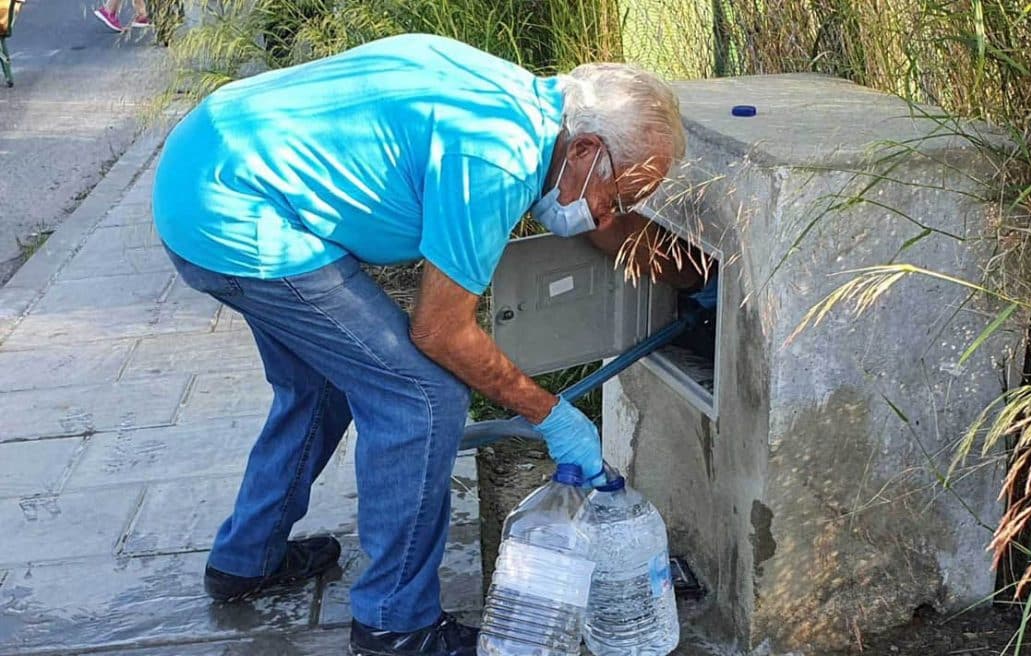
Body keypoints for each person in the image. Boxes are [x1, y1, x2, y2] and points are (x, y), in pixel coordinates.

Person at [152, 33, 705, 656]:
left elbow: (606, 226)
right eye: (618, 198)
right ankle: (396, 623)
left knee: (324, 379)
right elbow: (441, 331)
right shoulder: (497, 159)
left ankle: (246, 560)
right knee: (422, 396)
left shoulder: (531, 105)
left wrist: (697, 278)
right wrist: (550, 414)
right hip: (236, 211)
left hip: (205, 165)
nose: (608, 218)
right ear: (583, 151)